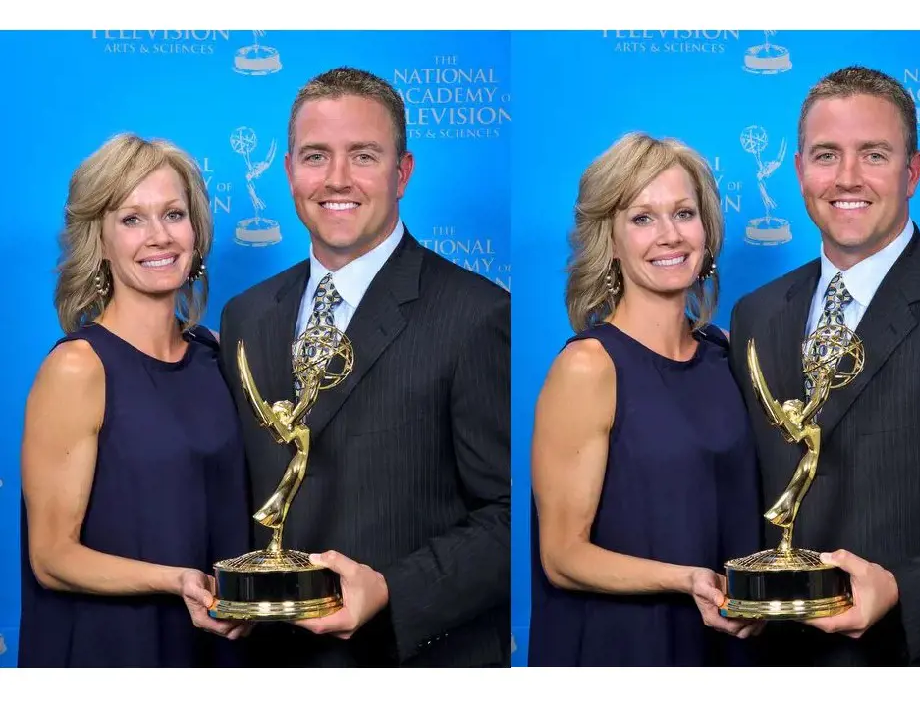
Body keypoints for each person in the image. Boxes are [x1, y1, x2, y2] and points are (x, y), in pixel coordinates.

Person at [728, 66, 920, 666]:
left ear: (912, 172)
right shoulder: (755, 314)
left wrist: (902, 589)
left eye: (875, 155)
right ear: (800, 170)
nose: (848, 179)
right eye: (827, 155)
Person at [218, 67, 510, 667]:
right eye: (316, 156)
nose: (337, 180)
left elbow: (509, 517)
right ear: (289, 170)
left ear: (402, 173)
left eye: (364, 156)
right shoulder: (245, 316)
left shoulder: (477, 314)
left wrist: (391, 590)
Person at [528, 132, 763, 666]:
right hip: (627, 647)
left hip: (728, 643)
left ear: (706, 231)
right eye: (642, 218)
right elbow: (562, 556)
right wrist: (686, 580)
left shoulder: (726, 354)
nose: (669, 235)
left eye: (683, 213)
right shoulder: (588, 366)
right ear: (609, 241)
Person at [19, 134, 251, 667]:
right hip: (115, 649)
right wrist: (176, 581)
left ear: (196, 231)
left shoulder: (213, 354)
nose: (159, 237)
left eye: (173, 214)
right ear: (99, 241)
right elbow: (51, 557)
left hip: (214, 645)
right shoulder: (78, 367)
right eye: (131, 219)